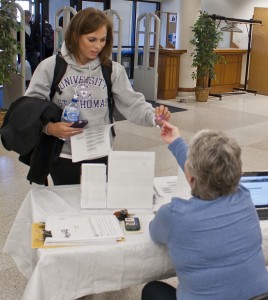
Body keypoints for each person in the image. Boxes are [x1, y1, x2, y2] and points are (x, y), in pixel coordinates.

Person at [24, 7, 171, 185]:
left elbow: (133, 104)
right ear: (74, 36)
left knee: (96, 203)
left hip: (100, 151)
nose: (98, 46)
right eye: (91, 39)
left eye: (103, 40)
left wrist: (153, 116)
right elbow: (31, 108)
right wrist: (50, 128)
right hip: (63, 154)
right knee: (68, 205)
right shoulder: (50, 67)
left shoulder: (112, 70)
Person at [142, 121, 268, 300]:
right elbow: (209, 170)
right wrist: (176, 141)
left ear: (191, 178)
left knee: (152, 290)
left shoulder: (173, 215)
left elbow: (155, 233)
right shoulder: (244, 197)